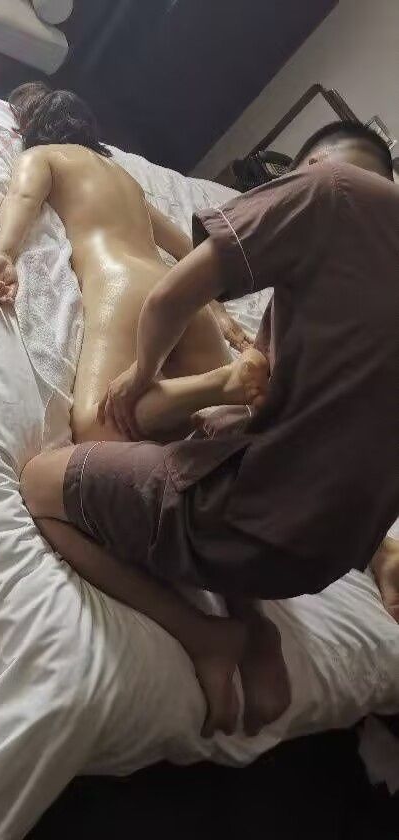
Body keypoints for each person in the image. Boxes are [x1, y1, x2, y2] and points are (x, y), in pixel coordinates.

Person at [20, 120, 399, 738]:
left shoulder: (326, 190)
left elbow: (169, 297)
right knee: (217, 426)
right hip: (318, 562)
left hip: (246, 522)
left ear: (312, 168)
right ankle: (255, 625)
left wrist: (142, 373)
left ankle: (205, 636)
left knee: (44, 480)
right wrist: (380, 548)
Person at [0, 82, 267, 445]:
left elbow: (22, 197)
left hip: (121, 283)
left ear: (26, 127)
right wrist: (218, 312)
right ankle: (222, 384)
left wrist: (4, 254)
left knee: (96, 425)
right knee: (219, 421)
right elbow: (187, 248)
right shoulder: (125, 178)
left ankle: (222, 383)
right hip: (178, 288)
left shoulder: (43, 156)